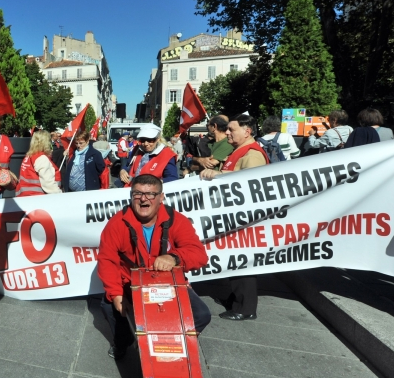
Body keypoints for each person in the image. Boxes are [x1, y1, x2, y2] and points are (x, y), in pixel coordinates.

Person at [97, 174, 212, 359]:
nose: (143, 199)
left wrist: (174, 257)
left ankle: (172, 347)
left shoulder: (176, 220)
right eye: (138, 193)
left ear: (161, 197)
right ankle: (122, 344)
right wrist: (116, 294)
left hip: (168, 284)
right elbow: (107, 260)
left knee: (201, 315)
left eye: (151, 194)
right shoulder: (116, 224)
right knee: (110, 306)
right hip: (132, 284)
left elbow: (199, 255)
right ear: (130, 196)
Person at [200, 114, 269, 320]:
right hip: (233, 217)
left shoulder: (253, 154)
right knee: (235, 260)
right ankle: (237, 299)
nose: (227, 132)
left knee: (242, 261)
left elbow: (251, 183)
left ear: (247, 132)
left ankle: (245, 308)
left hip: (243, 220)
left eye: (232, 129)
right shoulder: (238, 151)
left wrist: (218, 175)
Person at [16, 130, 62, 196]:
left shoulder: (29, 156)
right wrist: (60, 195)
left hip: (25, 196)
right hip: (38, 198)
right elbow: (48, 183)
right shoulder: (41, 158)